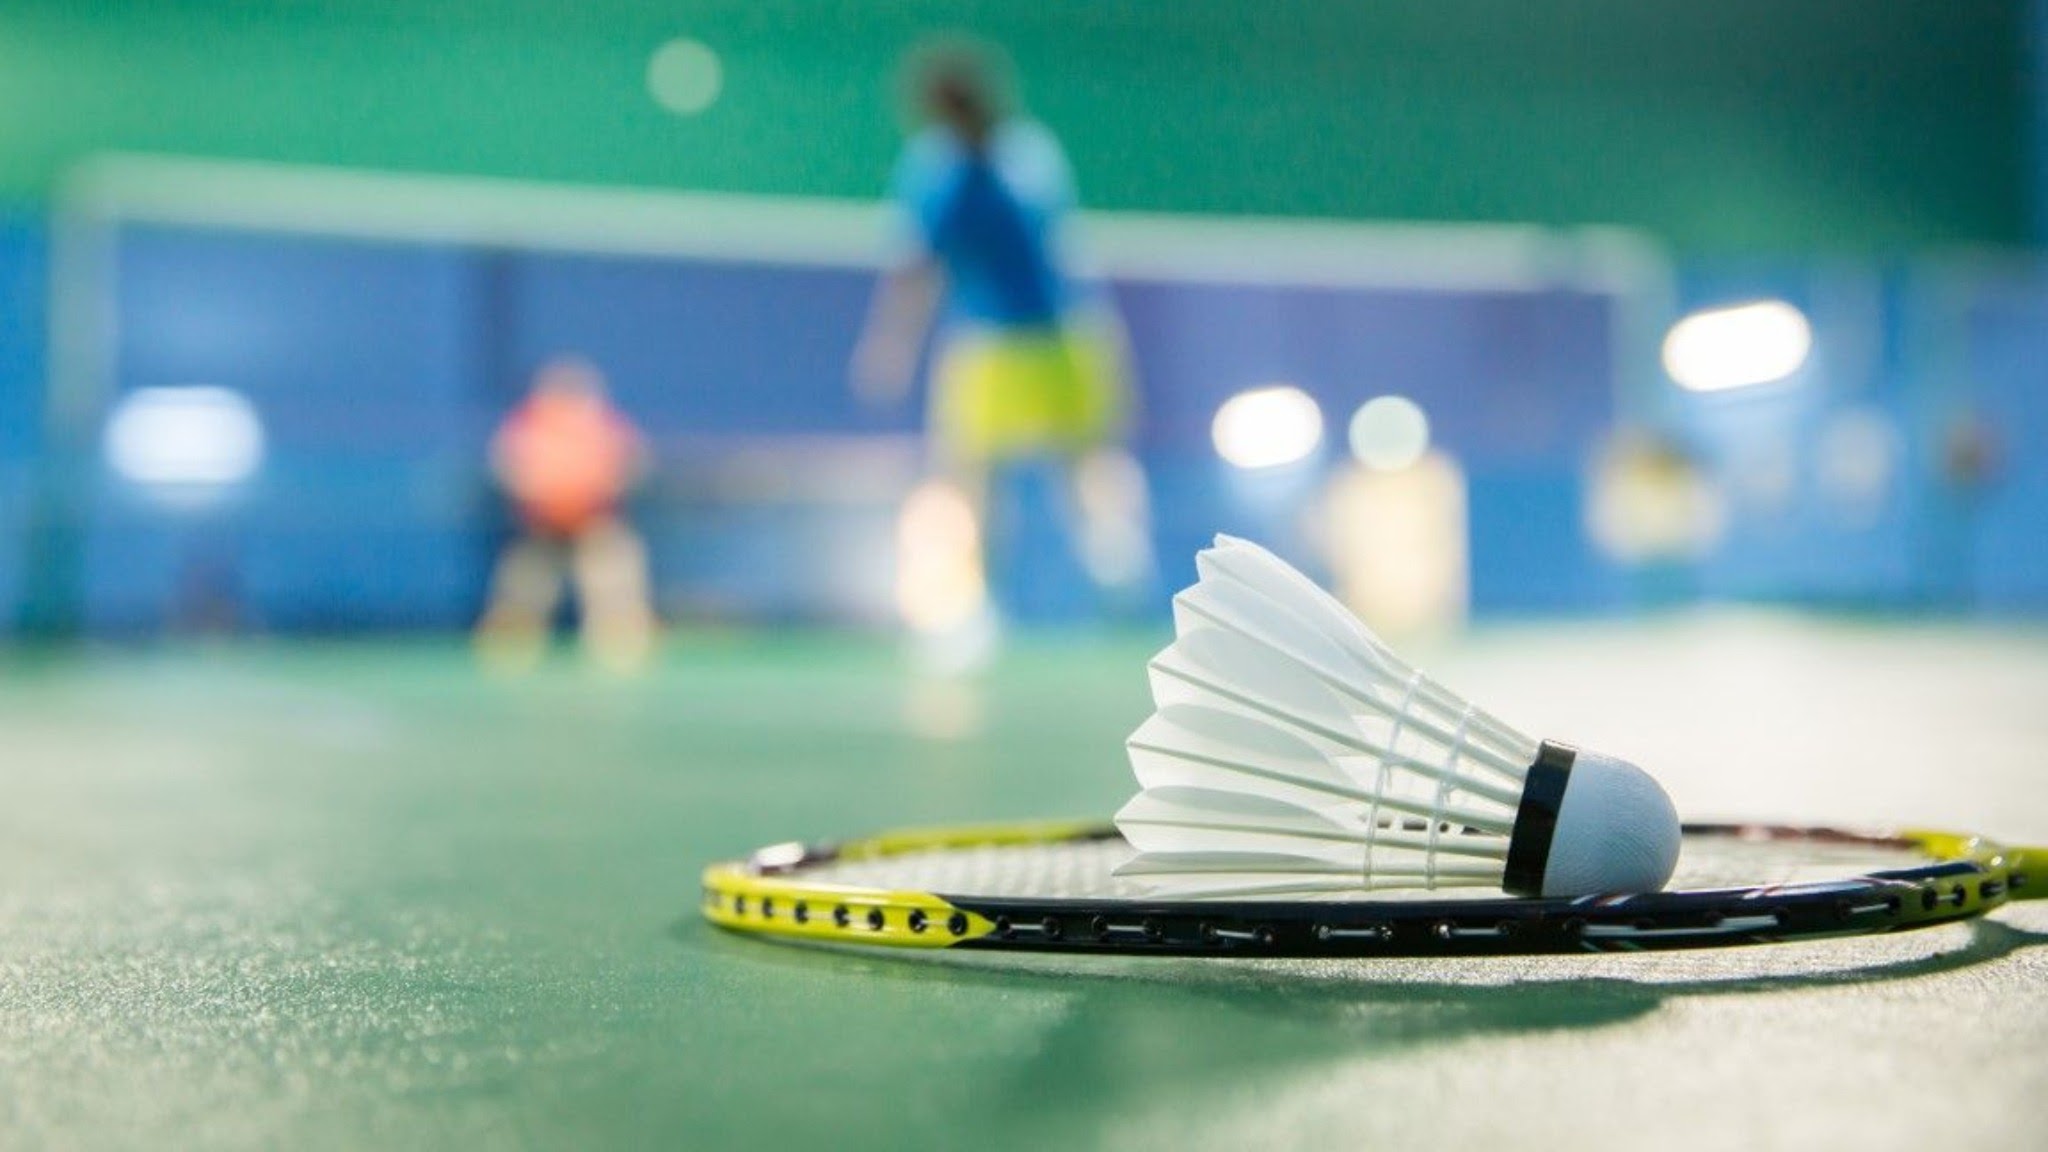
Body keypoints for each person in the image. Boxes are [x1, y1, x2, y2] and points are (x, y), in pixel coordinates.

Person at [852, 39, 1152, 658]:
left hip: (1044, 339)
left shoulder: (1003, 159)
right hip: (1019, 341)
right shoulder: (965, 165)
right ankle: (973, 607)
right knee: (978, 478)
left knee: (1077, 471)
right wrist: (891, 347)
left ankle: (1119, 584)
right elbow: (920, 269)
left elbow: (924, 272)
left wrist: (889, 348)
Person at [474, 358, 656, 672]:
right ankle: (509, 645)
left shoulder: (606, 427)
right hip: (543, 528)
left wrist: (590, 491)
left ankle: (622, 643)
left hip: (596, 524)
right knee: (524, 584)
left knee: (615, 572)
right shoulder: (527, 428)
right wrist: (549, 494)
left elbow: (631, 465)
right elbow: (510, 470)